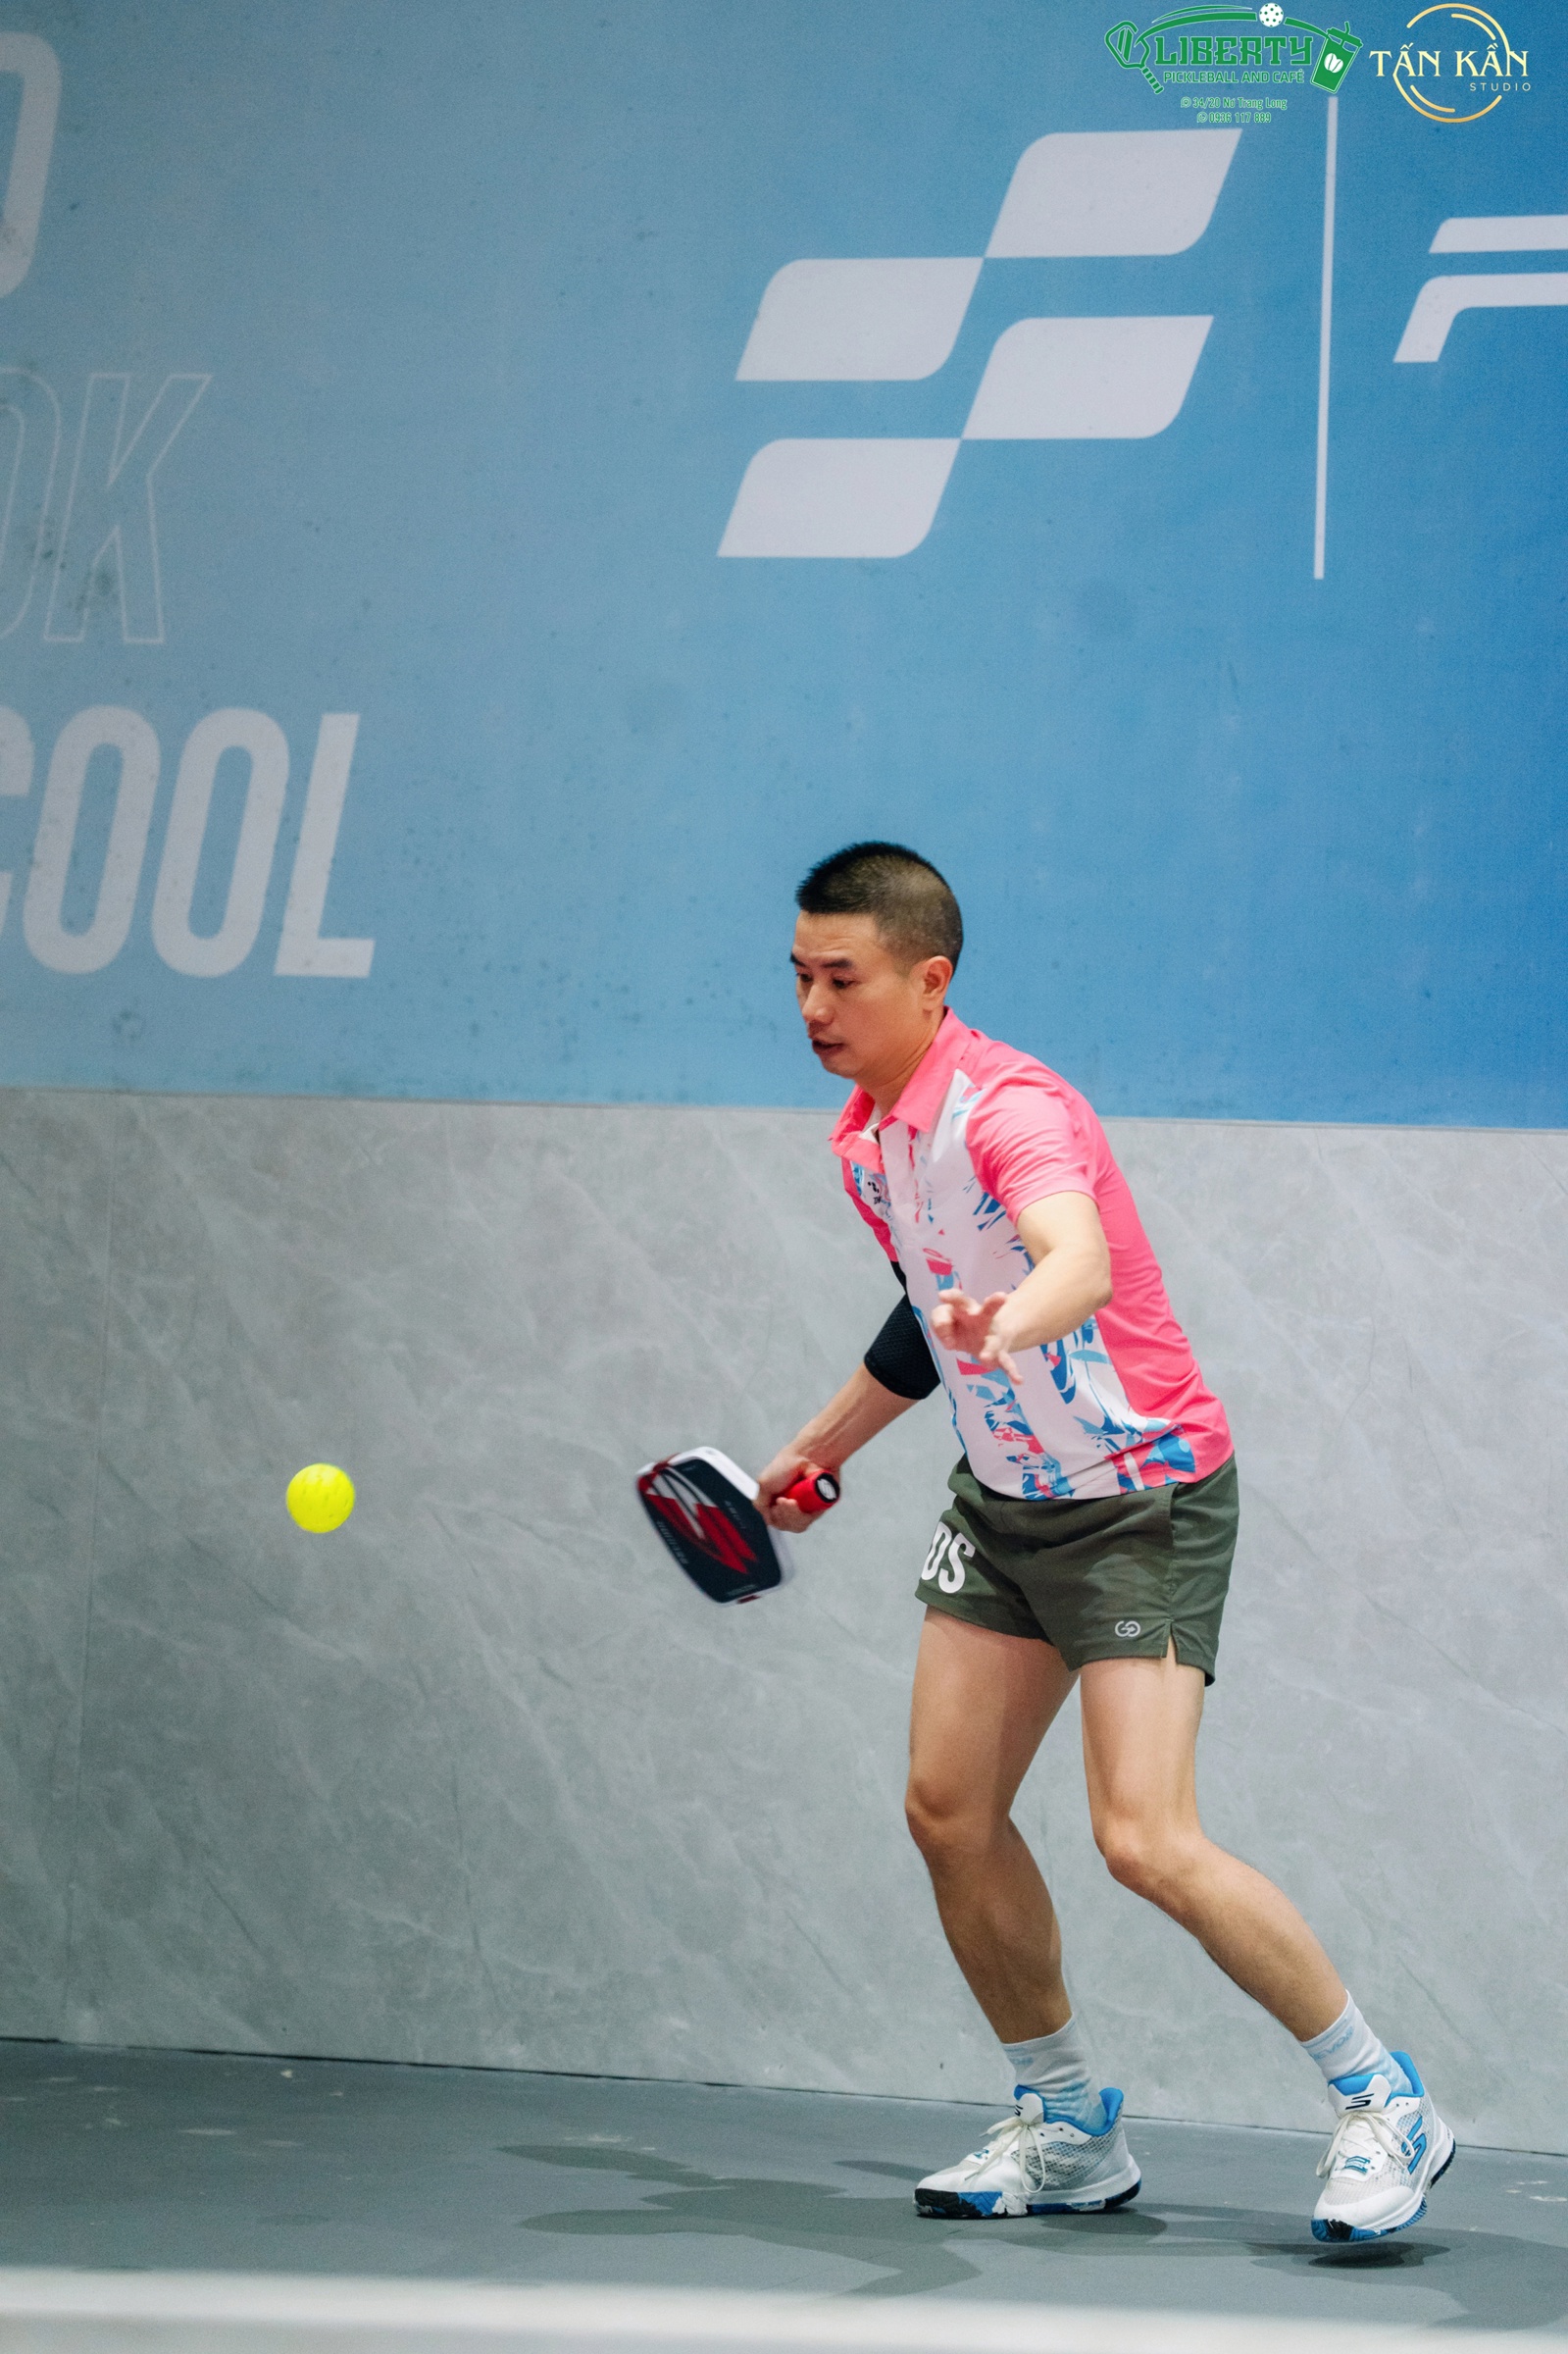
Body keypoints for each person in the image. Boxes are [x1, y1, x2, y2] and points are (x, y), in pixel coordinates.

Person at [756, 841, 1453, 2243]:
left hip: (1142, 1498)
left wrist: (1008, 1322)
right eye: (800, 977)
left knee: (1143, 1836)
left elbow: (1075, 1260)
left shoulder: (1013, 1111)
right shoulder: (867, 1137)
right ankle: (1069, 2122)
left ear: (929, 979)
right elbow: (923, 1319)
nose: (815, 1007)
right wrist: (822, 1446)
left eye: (844, 978)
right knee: (948, 1812)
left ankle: (1386, 2101)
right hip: (1006, 1501)